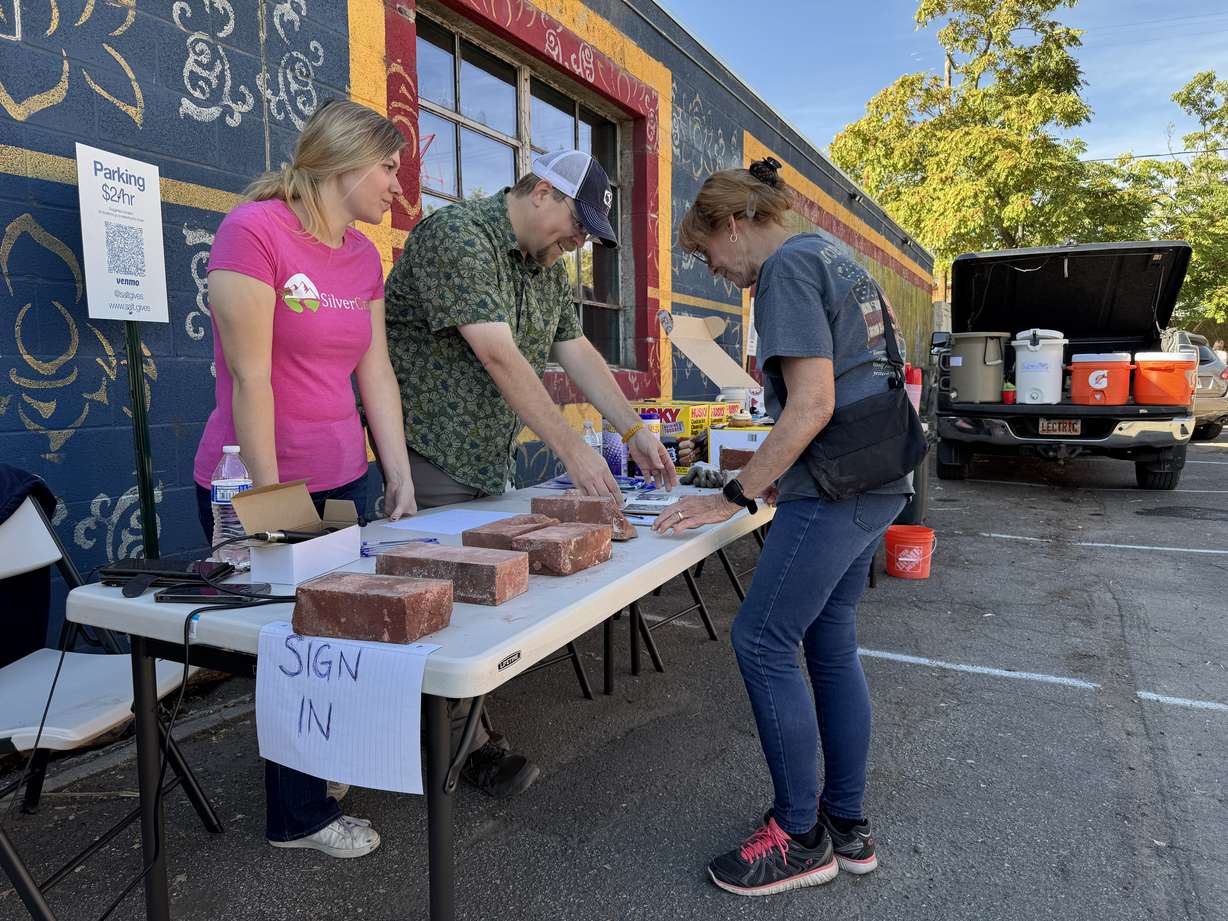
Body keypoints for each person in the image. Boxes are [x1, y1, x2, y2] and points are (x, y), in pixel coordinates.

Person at [384, 149, 677, 797]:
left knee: (472, 608)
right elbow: (498, 354)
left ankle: (452, 743)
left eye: (587, 236)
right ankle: (462, 750)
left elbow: (581, 357)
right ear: (542, 191)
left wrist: (634, 432)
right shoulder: (459, 235)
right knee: (437, 608)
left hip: (488, 461)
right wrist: (575, 450)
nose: (578, 241)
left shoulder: (547, 268)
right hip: (424, 452)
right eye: (577, 224)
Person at [656, 158, 913, 896]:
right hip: (880, 475)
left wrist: (734, 493)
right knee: (829, 641)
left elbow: (810, 405)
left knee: (761, 637)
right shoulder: (833, 254)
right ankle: (847, 824)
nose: (715, 271)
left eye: (707, 254)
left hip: (835, 484)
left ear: (734, 225)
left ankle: (800, 836)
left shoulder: (784, 272)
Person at [192, 99, 416, 859]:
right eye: (388, 166)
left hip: (343, 478)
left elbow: (375, 371)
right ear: (346, 161)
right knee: (292, 641)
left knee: (340, 634)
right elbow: (250, 381)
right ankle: (297, 816)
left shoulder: (361, 255)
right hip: (261, 479)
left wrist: (397, 474)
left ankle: (319, 766)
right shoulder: (252, 232)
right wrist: (269, 507)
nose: (397, 182)